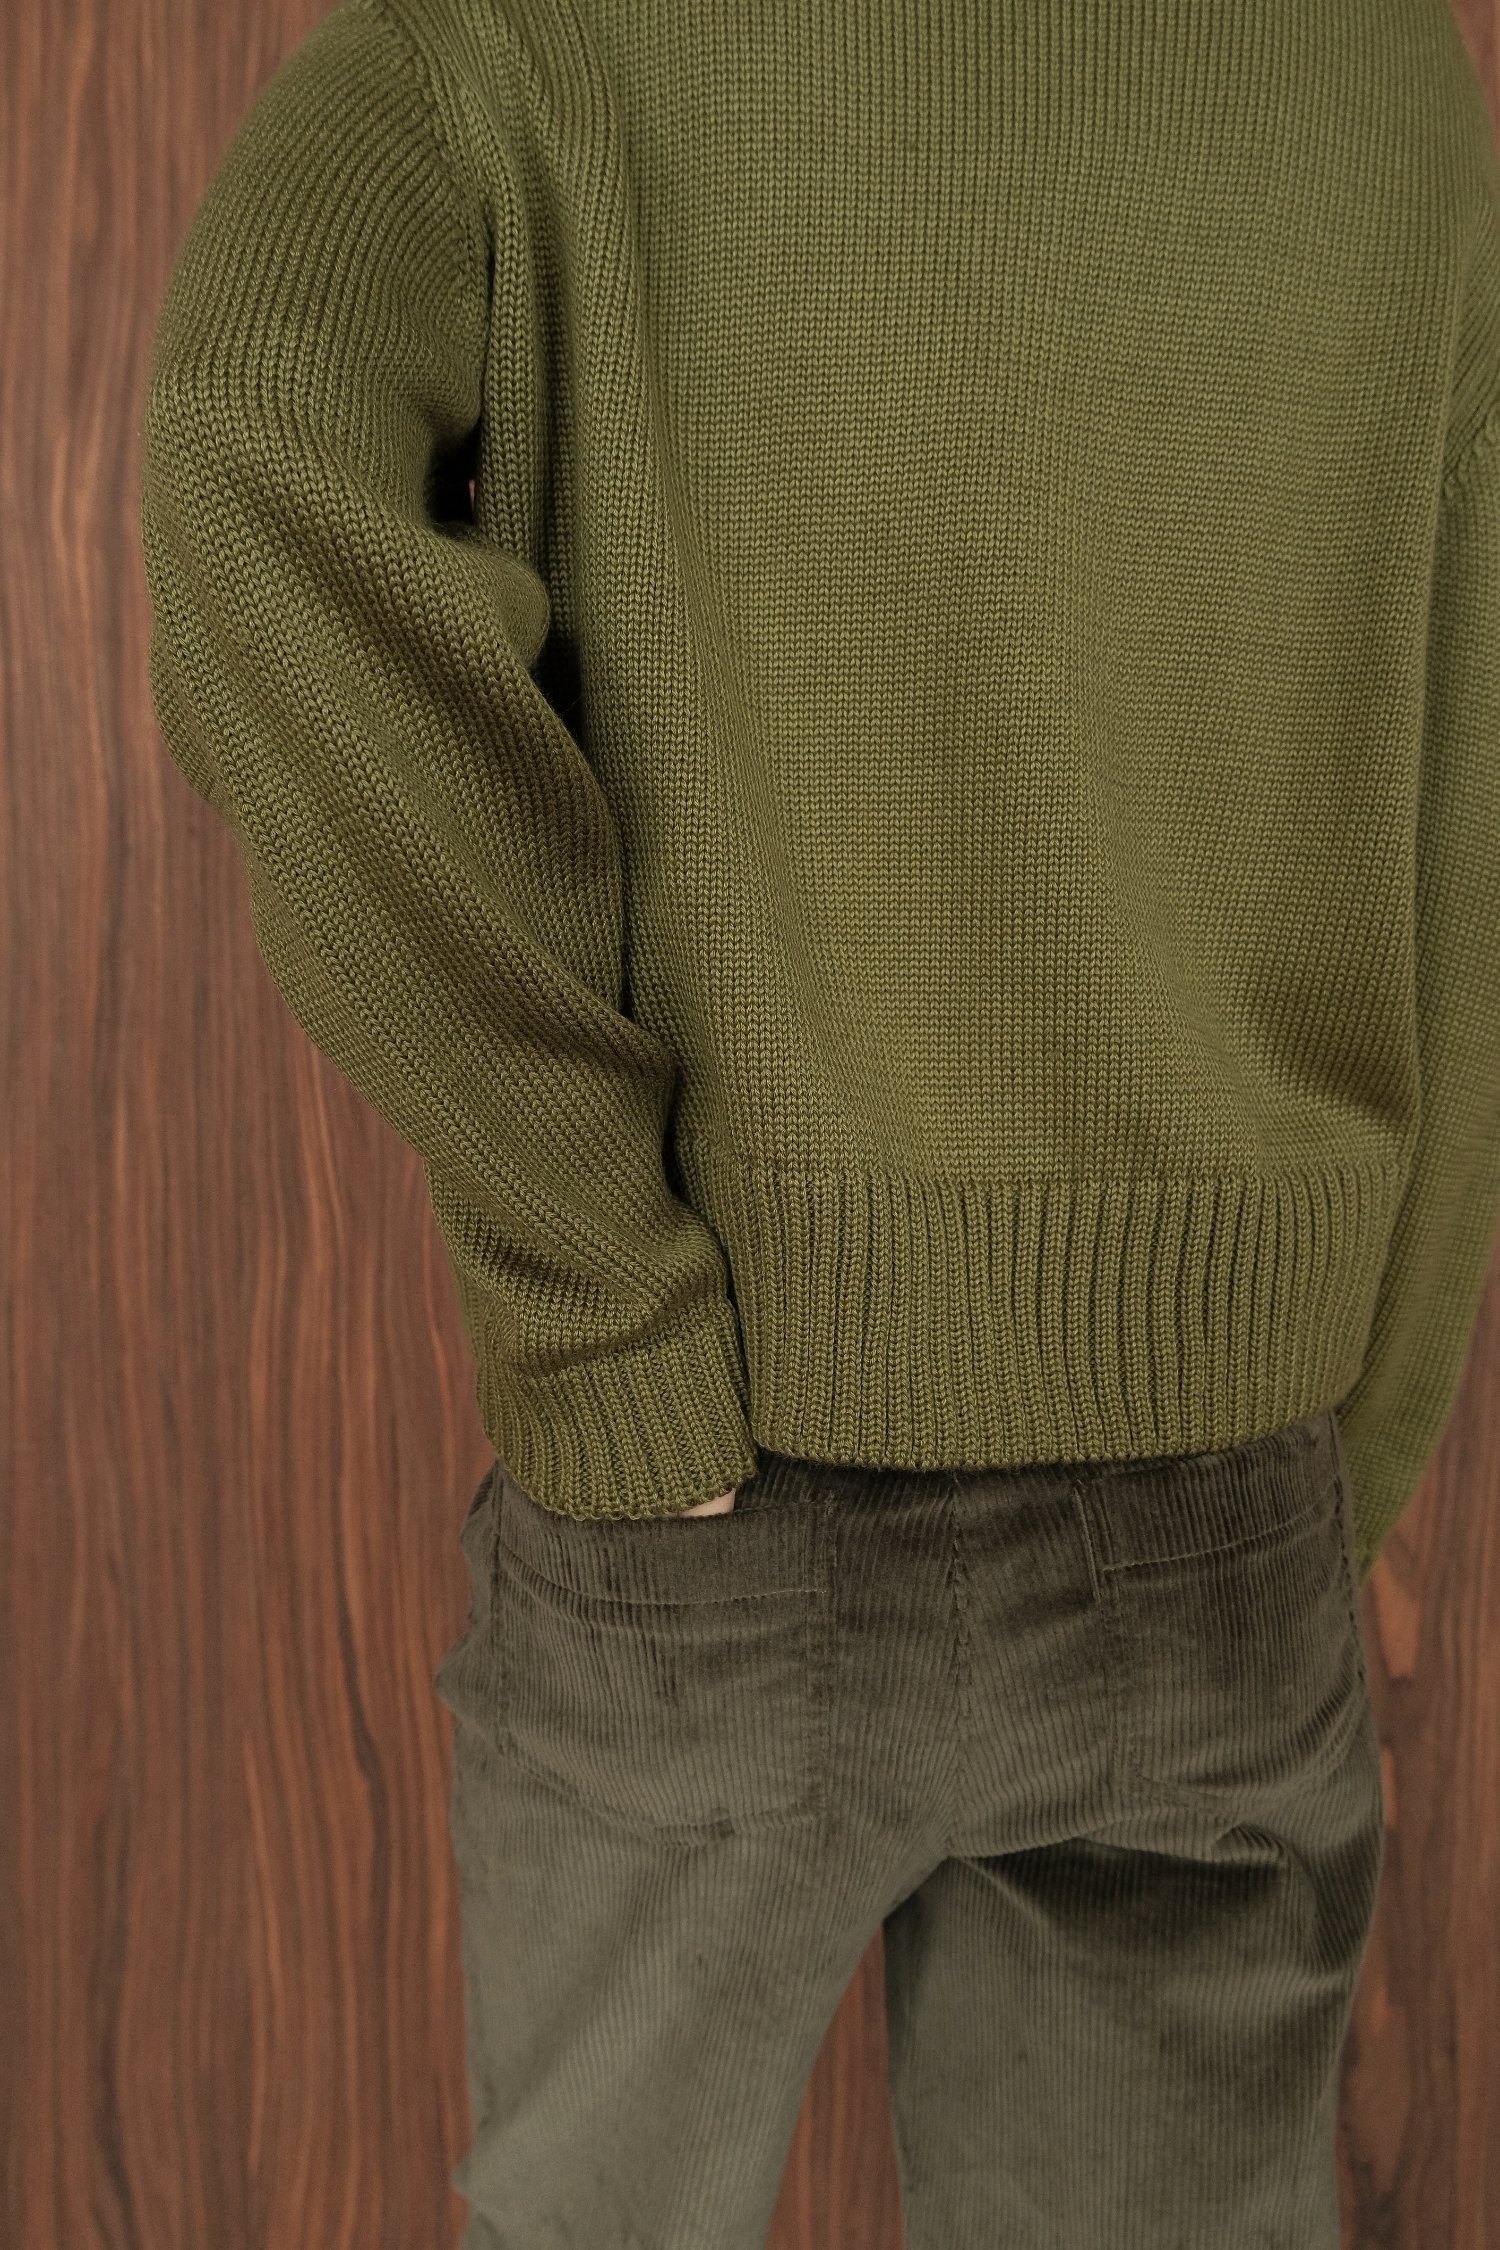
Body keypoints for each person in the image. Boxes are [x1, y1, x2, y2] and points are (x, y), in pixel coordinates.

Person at [138, 0, 1499, 2241]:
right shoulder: (1384, 66)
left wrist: (605, 1300)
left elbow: (249, 424)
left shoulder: (533, 31)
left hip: (716, 1499)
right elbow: (1465, 827)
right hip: (1219, 1514)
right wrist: (1322, 1473)